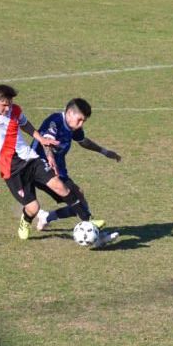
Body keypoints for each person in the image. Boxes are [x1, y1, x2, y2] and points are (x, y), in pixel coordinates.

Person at [0, 85, 96, 242]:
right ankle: (26, 221)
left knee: (60, 186)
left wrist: (41, 139)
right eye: (4, 105)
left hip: (31, 159)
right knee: (33, 208)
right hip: (12, 170)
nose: (8, 108)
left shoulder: (15, 110)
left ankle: (87, 220)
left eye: (10, 103)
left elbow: (26, 125)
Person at [30, 98, 120, 247]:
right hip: (41, 167)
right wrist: (50, 158)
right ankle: (97, 236)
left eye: (83, 121)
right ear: (70, 113)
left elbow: (83, 141)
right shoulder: (55, 121)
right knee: (75, 199)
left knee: (79, 199)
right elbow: (47, 142)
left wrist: (104, 151)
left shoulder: (74, 127)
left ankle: (47, 217)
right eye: (79, 120)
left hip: (59, 168)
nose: (81, 124)